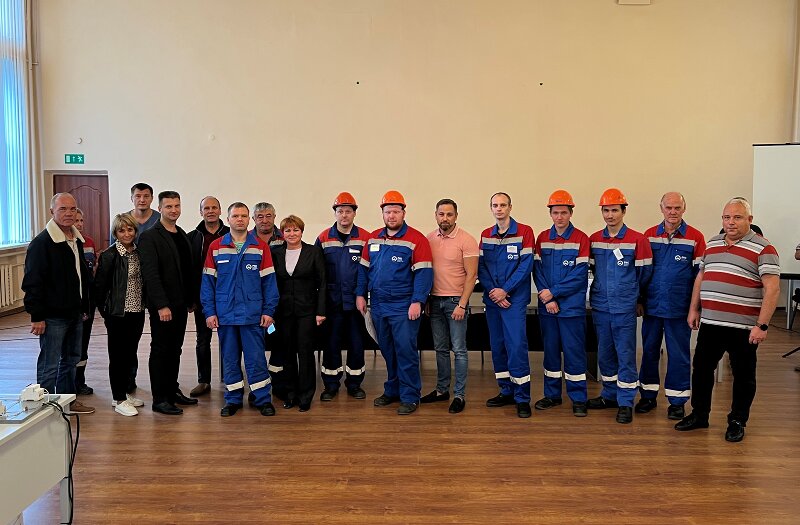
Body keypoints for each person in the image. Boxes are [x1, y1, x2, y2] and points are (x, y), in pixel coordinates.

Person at [675, 197, 780, 442]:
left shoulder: (764, 248)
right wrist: (694, 309)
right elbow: (701, 277)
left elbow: (773, 289)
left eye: (737, 217)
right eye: (726, 217)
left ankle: (737, 421)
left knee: (743, 376)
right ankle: (700, 415)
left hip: (744, 327)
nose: (730, 222)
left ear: (749, 220)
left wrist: (762, 325)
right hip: (711, 323)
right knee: (701, 370)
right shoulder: (713, 243)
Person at [356, 191, 433, 416]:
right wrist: (360, 294)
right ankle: (393, 390)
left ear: (403, 213)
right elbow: (363, 270)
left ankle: (410, 396)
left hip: (403, 305)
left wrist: (418, 301)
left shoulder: (417, 239)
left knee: (405, 351)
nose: (391, 216)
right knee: (388, 350)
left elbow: (424, 274)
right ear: (382, 213)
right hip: (378, 305)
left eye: (395, 211)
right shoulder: (373, 238)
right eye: (387, 211)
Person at [202, 202, 279, 417]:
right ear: (228, 220)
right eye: (235, 216)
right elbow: (207, 283)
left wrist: (268, 311)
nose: (239, 219)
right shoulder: (216, 247)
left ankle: (262, 399)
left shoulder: (260, 247)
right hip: (225, 315)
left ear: (249, 219)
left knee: (256, 360)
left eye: (243, 216)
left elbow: (269, 283)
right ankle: (233, 399)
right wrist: (210, 312)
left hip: (252, 315)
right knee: (230, 359)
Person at [22, 193, 95, 414]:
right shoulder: (41, 243)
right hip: (53, 316)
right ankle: (43, 410)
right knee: (50, 363)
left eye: (72, 209)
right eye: (63, 209)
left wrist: (84, 307)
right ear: (52, 211)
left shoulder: (76, 240)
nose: (68, 213)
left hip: (75, 313)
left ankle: (66, 402)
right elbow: (33, 282)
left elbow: (80, 278)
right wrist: (37, 316)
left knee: (71, 361)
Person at [636, 192, 706, 420]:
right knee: (649, 352)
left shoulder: (695, 237)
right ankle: (647, 396)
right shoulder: (648, 236)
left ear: (684, 209)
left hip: (679, 308)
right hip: (652, 307)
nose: (673, 212)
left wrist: (695, 308)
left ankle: (677, 402)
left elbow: (700, 277)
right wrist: (638, 300)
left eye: (677, 208)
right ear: (661, 208)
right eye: (669, 207)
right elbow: (641, 272)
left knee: (678, 355)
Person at [587, 188, 653, 424]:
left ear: (624, 211)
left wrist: (634, 296)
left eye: (614, 210)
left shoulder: (638, 240)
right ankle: (609, 395)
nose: (610, 215)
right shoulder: (594, 239)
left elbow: (644, 274)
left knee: (625, 354)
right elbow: (592, 270)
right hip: (601, 306)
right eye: (606, 210)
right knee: (605, 353)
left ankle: (625, 401)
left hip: (624, 307)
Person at [138, 190, 198, 415]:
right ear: (160, 209)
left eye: (177, 206)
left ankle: (172, 391)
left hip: (181, 304)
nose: (174, 210)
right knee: (161, 350)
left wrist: (190, 299)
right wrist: (161, 305)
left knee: (175, 349)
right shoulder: (150, 236)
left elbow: (186, 269)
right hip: (163, 306)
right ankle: (160, 398)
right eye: (169, 206)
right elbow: (150, 274)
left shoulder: (181, 233)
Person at [533, 190, 591, 416]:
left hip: (571, 309)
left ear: (571, 213)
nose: (559, 217)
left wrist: (553, 294)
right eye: (555, 212)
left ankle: (579, 398)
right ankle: (552, 395)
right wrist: (547, 297)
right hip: (548, 307)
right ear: (550, 213)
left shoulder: (581, 239)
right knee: (550, 352)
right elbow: (537, 270)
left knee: (574, 353)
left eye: (563, 212)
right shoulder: (542, 238)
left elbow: (579, 275)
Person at [478, 192, 535, 418]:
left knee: (516, 345)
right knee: (498, 345)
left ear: (510, 207)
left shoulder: (525, 232)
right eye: (495, 205)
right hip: (494, 299)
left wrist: (505, 290)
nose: (499, 209)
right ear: (491, 208)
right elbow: (481, 267)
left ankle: (522, 397)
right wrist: (495, 292)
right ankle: (506, 390)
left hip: (514, 300)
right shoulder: (486, 235)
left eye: (503, 205)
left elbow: (526, 266)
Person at [422, 198, 478, 414]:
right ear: (436, 215)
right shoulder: (428, 239)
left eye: (449, 214)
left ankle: (459, 395)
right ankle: (441, 390)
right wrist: (427, 299)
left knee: (459, 350)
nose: (445, 218)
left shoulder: (467, 240)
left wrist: (462, 305)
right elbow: (426, 272)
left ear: (456, 216)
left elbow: (472, 275)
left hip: (456, 302)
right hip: (435, 301)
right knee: (440, 349)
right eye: (441, 214)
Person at [315, 192, 368, 401]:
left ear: (354, 213)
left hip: (356, 302)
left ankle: (354, 384)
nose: (344, 215)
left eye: (348, 211)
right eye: (340, 211)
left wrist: (362, 294)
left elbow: (368, 270)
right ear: (335, 213)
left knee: (356, 343)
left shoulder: (365, 237)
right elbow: (318, 273)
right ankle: (330, 385)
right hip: (332, 302)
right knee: (331, 344)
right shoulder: (323, 238)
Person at [271, 215, 326, 412]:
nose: (292, 233)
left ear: (302, 231)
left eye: (296, 230)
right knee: (287, 353)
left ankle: (305, 395)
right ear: (282, 233)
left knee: (305, 353)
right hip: (283, 312)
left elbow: (323, 283)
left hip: (307, 312)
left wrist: (320, 311)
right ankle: (291, 394)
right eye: (287, 230)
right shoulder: (275, 253)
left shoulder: (313, 252)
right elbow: (271, 283)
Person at [110, 182, 161, 394]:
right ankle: (123, 389)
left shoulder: (158, 219)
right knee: (121, 349)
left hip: (145, 296)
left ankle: (131, 383)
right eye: (138, 196)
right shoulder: (122, 224)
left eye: (146, 196)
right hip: (122, 304)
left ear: (151, 198)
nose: (142, 199)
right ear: (132, 198)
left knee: (134, 344)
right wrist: (108, 309)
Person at [94, 213, 147, 416]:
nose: (126, 234)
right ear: (115, 233)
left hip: (137, 311)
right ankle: (118, 399)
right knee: (117, 356)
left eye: (130, 229)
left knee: (130, 354)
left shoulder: (139, 253)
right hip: (117, 314)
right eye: (121, 230)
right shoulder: (109, 255)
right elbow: (100, 288)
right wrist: (106, 314)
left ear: (135, 231)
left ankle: (125, 392)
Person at [187, 196, 229, 397]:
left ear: (220, 211)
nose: (210, 211)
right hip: (203, 297)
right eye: (206, 208)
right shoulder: (192, 237)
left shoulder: (231, 234)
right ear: (200, 212)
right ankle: (204, 381)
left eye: (214, 207)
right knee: (203, 340)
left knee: (229, 339)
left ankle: (230, 379)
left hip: (229, 297)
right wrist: (191, 299)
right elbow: (188, 270)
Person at [74, 208, 97, 396]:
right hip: (71, 303)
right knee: (70, 346)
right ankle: (66, 383)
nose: (79, 224)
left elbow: (93, 269)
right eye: (76, 220)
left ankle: (79, 381)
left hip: (88, 302)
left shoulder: (89, 242)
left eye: (81, 220)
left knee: (83, 344)